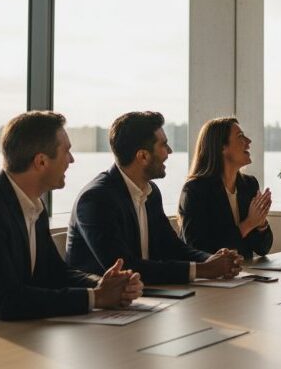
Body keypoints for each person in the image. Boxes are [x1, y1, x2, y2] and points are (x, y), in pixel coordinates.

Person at [0, 111, 142, 325]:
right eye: (66, 151)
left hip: (1, 332)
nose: (71, 160)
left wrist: (106, 285)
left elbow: (55, 273)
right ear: (41, 161)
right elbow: (8, 302)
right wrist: (96, 298)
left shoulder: (33, 205)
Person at [67, 111, 242, 283]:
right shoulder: (96, 199)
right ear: (143, 156)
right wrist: (203, 270)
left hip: (145, 297)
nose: (170, 151)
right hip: (100, 307)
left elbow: (173, 248)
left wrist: (214, 260)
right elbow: (124, 267)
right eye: (164, 145)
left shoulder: (151, 192)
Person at [179, 117, 274, 259]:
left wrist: (261, 224)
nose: (249, 142)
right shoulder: (195, 190)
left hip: (243, 274)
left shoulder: (249, 185)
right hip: (208, 279)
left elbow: (262, 249)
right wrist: (248, 224)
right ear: (221, 147)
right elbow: (199, 247)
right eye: (240, 136)